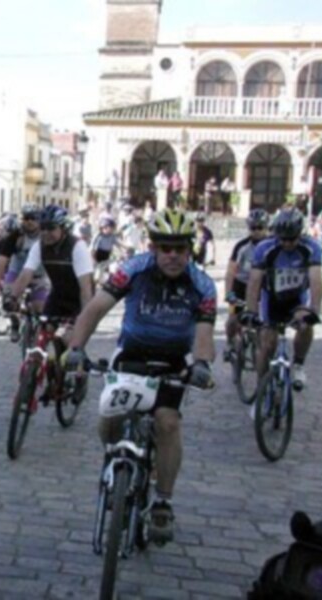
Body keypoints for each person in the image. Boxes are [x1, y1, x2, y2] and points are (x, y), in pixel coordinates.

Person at [66, 208, 216, 544]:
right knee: (109, 417)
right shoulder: (132, 271)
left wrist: (202, 365)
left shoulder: (202, 285)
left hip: (173, 362)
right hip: (131, 355)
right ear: (153, 248)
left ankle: (162, 501)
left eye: (180, 248)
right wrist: (76, 346)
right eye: (166, 248)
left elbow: (205, 334)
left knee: (167, 423)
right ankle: (116, 462)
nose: (173, 255)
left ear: (190, 249)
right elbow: (95, 308)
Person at [242, 208, 322, 389]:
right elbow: (254, 282)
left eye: (291, 239)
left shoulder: (311, 247)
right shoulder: (265, 248)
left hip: (297, 298)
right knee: (267, 343)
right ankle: (261, 388)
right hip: (272, 299)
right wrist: (251, 311)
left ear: (300, 234)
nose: (286, 243)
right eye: (282, 239)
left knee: (305, 325)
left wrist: (314, 310)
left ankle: (299, 364)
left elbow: (316, 279)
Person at [5, 205, 94, 349]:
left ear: (64, 228)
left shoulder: (77, 247)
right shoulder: (39, 246)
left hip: (79, 300)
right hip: (57, 296)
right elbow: (26, 274)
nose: (45, 233)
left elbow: (86, 287)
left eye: (51, 228)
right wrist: (13, 297)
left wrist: (84, 317)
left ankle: (77, 369)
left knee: (70, 342)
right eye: (43, 228)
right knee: (43, 335)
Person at [0, 205, 50, 341]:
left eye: (33, 218)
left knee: (40, 307)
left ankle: (38, 334)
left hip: (39, 274)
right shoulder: (15, 236)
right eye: (26, 218)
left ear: (40, 220)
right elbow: (2, 260)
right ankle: (14, 323)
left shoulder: (46, 235)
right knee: (9, 301)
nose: (29, 221)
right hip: (16, 273)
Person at [223, 209, 269, 362]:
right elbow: (231, 272)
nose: (256, 231)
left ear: (266, 227)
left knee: (263, 323)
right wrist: (229, 293)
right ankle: (230, 343)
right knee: (233, 319)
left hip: (263, 287)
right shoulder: (241, 246)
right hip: (240, 286)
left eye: (260, 228)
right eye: (253, 228)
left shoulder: (272, 246)